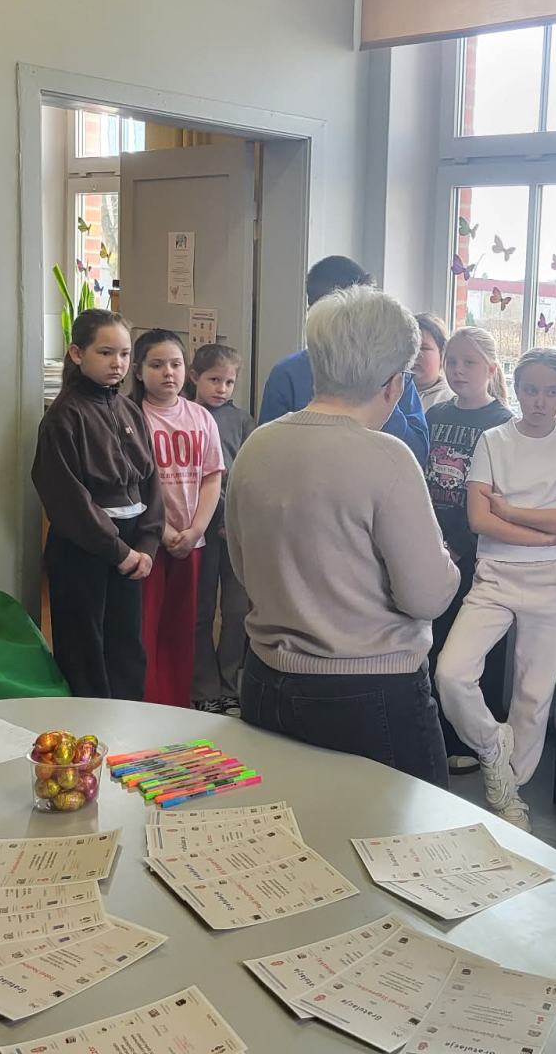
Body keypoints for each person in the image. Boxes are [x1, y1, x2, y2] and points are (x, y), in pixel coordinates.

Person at [228, 286, 459, 785]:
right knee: (409, 832)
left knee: (290, 827)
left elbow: (244, 567)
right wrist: (447, 561)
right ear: (394, 384)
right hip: (370, 692)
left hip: (266, 680)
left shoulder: (257, 445)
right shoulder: (388, 457)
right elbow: (426, 597)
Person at [436, 348, 556, 828]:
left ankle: (509, 790)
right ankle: (491, 744)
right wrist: (539, 532)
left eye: (550, 392)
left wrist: (508, 511)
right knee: (451, 672)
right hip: (494, 575)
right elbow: (478, 519)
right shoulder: (493, 439)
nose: (539, 401)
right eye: (530, 389)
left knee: (534, 694)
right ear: (516, 388)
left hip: (552, 580)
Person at [32, 309, 162, 699]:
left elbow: (151, 482)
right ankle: (88, 731)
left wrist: (147, 545)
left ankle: (129, 723)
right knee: (85, 648)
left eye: (124, 354)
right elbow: (67, 498)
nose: (116, 363)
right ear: (77, 353)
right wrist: (118, 551)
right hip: (85, 547)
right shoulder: (64, 417)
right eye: (105, 353)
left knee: (126, 645)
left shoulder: (129, 410)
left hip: (133, 546)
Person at [424, 327, 513, 772]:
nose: (458, 370)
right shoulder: (436, 414)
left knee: (476, 651)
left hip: (478, 553)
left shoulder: (503, 423)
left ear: (491, 369)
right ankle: (438, 734)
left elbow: (501, 496)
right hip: (433, 546)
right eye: (452, 362)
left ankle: (477, 740)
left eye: (469, 363)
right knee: (434, 643)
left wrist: (460, 545)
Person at [258, 256, 429, 468]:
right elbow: (269, 457)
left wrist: (385, 397)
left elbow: (417, 455)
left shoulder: (395, 374)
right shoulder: (288, 375)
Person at [132, 328, 224, 709]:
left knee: (182, 628)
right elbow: (130, 485)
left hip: (191, 541)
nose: (168, 373)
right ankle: (147, 703)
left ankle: (176, 704)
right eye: (157, 365)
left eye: (176, 364)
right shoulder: (131, 416)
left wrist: (196, 528)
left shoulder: (201, 417)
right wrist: (164, 530)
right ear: (138, 371)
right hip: (147, 543)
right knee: (145, 627)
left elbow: (212, 477)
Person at [187, 343, 256, 714]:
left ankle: (230, 682)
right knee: (199, 611)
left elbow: (248, 477)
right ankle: (203, 686)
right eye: (214, 380)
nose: (222, 388)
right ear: (195, 377)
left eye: (229, 382)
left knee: (235, 611)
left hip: (233, 528)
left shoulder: (243, 421)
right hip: (197, 526)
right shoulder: (185, 415)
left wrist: (239, 520)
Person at [413, 313, 454, 412]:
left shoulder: (449, 403)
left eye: (423, 348)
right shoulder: (385, 396)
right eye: (408, 347)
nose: (414, 354)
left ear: (443, 355)